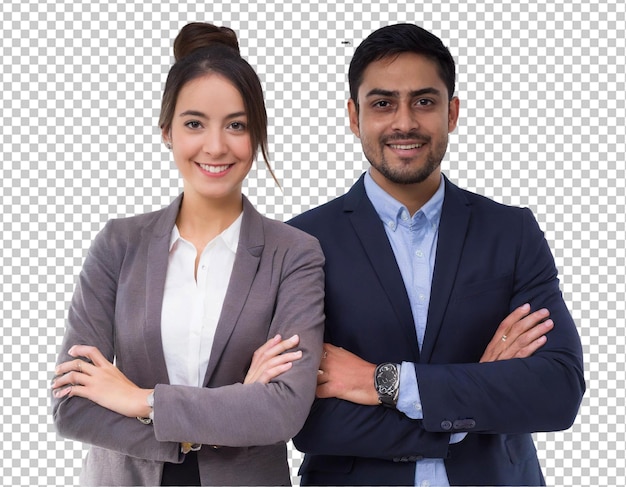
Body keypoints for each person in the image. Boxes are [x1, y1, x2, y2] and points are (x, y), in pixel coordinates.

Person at [289, 24, 585, 486]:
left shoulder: (511, 232)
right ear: (354, 116)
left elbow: (557, 392)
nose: (404, 122)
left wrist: (381, 382)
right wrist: (472, 400)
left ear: (452, 112)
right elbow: (305, 421)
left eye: (424, 102)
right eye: (383, 103)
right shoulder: (302, 242)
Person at [51, 22, 325, 486]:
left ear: (256, 134)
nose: (215, 146)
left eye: (236, 125)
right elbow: (72, 407)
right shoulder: (118, 244)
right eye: (194, 123)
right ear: (167, 132)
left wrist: (142, 401)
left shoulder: (294, 254)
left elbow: (284, 410)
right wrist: (232, 409)